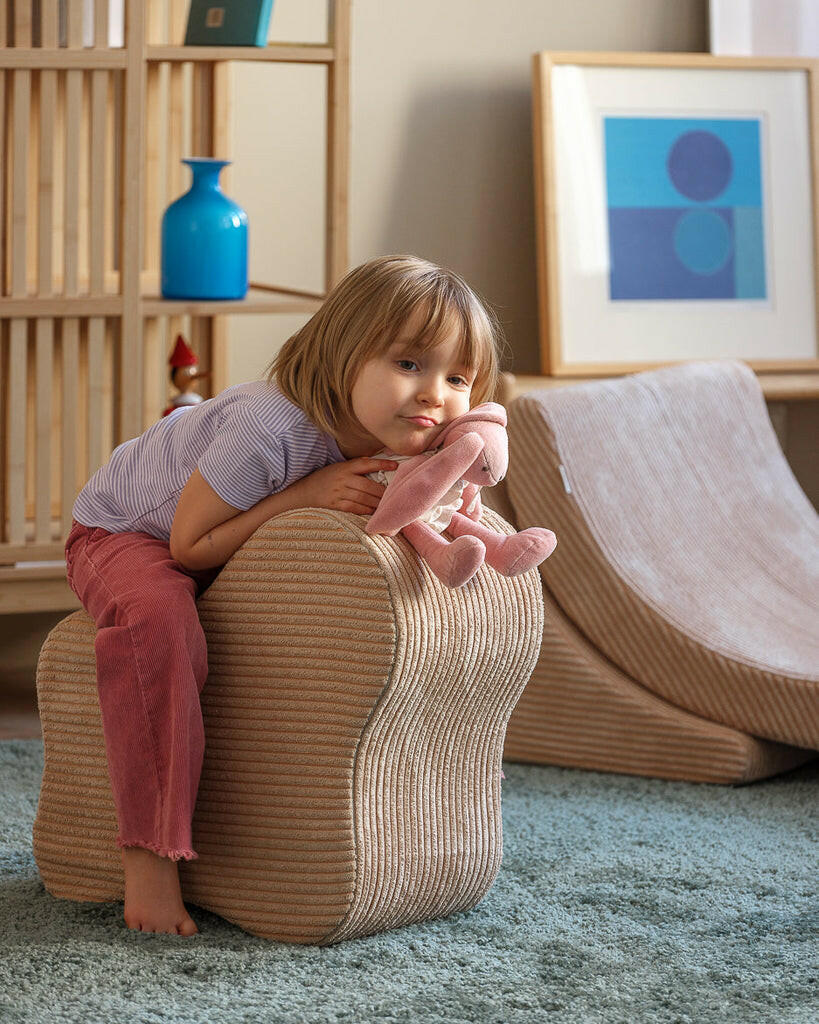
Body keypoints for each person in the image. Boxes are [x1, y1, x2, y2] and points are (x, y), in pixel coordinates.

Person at [63, 254, 505, 936]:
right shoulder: (270, 428)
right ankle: (148, 854)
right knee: (161, 621)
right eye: (409, 364)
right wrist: (303, 497)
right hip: (126, 533)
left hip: (227, 539)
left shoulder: (407, 437)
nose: (433, 395)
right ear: (342, 351)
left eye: (456, 378)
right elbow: (189, 548)